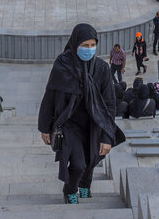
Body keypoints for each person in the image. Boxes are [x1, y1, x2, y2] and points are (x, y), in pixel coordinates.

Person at [38, 23, 126, 204]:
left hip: (94, 123)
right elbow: (50, 95)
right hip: (69, 123)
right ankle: (70, 189)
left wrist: (107, 137)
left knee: (91, 160)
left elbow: (109, 103)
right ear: (75, 44)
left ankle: (85, 185)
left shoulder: (101, 68)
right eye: (85, 46)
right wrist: (44, 127)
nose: (89, 49)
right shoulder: (62, 65)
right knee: (78, 164)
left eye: (93, 45)